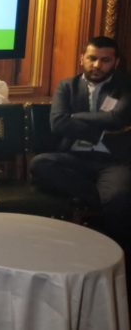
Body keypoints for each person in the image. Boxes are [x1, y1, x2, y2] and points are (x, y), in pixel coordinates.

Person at [30, 35, 131, 289]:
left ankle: (114, 269)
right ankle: (98, 203)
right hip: (74, 158)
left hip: (112, 160)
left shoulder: (125, 87)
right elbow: (58, 123)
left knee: (117, 198)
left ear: (115, 62)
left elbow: (118, 119)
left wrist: (77, 117)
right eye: (92, 58)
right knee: (40, 164)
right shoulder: (67, 86)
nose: (97, 65)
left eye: (105, 60)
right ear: (82, 59)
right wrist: (100, 126)